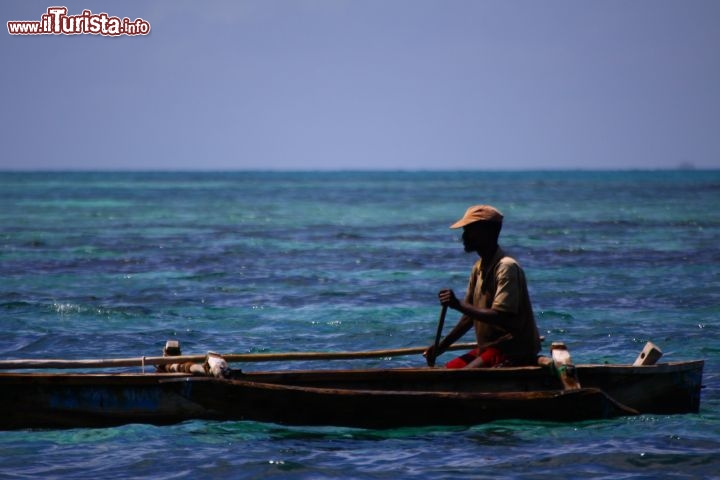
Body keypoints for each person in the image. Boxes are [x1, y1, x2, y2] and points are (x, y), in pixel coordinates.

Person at [424, 205, 541, 368]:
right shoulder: (478, 267)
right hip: (488, 348)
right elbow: (469, 317)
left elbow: (499, 316)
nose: (464, 236)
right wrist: (440, 347)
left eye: (469, 230)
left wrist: (457, 304)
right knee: (447, 371)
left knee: (456, 380)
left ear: (488, 232)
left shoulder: (506, 267)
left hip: (511, 350)